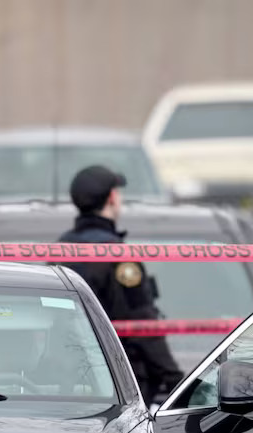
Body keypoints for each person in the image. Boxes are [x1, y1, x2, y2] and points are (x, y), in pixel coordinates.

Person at [57, 164, 183, 405]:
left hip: (68, 376)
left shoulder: (60, 249)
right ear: (113, 197)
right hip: (120, 380)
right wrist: (174, 379)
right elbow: (142, 322)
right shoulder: (117, 255)